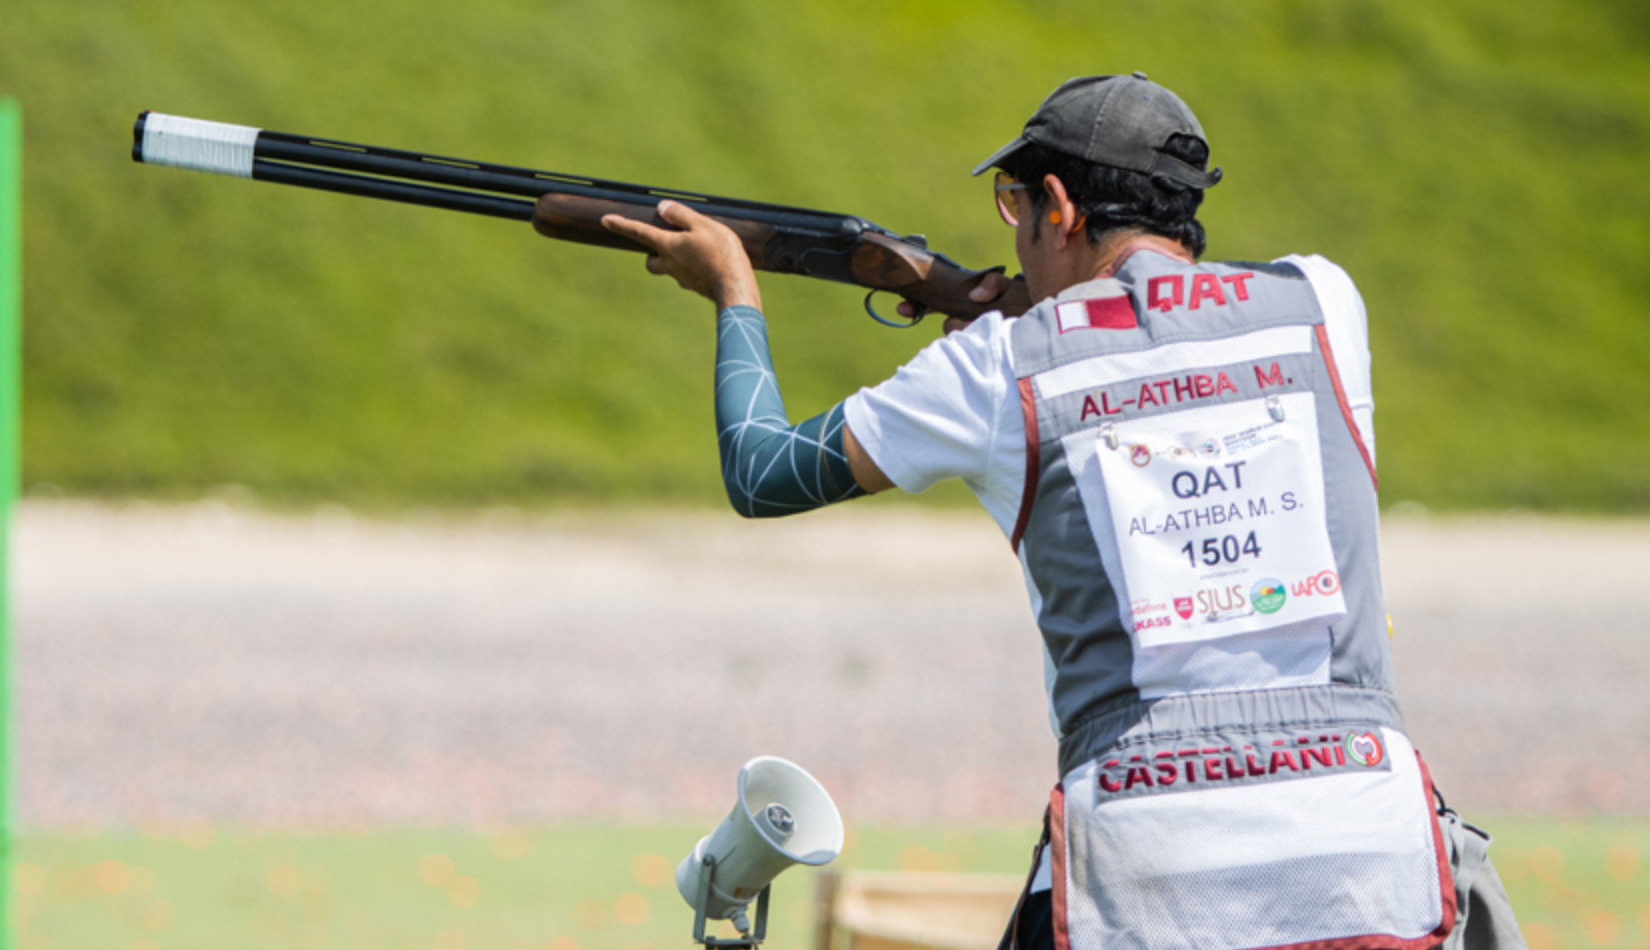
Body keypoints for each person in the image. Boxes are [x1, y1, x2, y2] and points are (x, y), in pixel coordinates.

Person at [602, 73, 1525, 950]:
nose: (1015, 236)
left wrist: (734, 288)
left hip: (1142, 866)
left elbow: (761, 471)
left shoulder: (997, 369)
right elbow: (1170, 356)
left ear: (1059, 205)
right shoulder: (1325, 300)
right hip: (1373, 854)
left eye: (1016, 208)